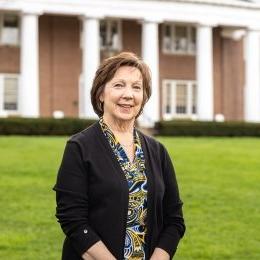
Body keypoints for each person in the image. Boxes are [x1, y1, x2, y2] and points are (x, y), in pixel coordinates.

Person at [53, 52, 185, 260]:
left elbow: (174, 220)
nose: (128, 95)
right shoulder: (79, 147)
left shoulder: (157, 151)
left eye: (136, 87)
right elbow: (72, 219)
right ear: (101, 94)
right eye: (119, 85)